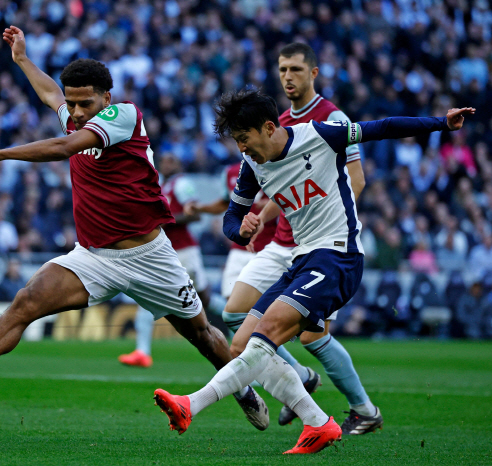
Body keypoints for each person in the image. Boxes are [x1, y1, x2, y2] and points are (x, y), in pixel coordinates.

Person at [0, 25, 268, 433]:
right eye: (73, 103)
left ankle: (243, 390)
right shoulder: (75, 112)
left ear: (107, 97)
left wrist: (0, 153)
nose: (78, 111)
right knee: (26, 300)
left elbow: (64, 147)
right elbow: (50, 94)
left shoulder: (124, 116)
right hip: (95, 257)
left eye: (86, 103)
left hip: (150, 256)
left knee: (203, 336)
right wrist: (23, 60)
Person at [152, 87, 473, 454]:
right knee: (241, 342)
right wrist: (237, 231)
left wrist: (441, 123)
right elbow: (232, 215)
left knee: (268, 332)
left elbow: (381, 127)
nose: (242, 148)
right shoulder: (252, 166)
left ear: (269, 127)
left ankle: (191, 405)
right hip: (302, 260)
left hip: (340, 256)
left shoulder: (318, 135)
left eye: (244, 139)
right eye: (237, 141)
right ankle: (319, 422)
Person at [221, 43, 381, 434]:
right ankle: (302, 380)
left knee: (312, 335)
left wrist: (328, 230)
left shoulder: (332, 118)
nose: (287, 77)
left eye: (295, 69)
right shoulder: (276, 121)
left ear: (313, 72)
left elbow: (355, 180)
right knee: (233, 314)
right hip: (283, 244)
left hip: (324, 246)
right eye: (282, 70)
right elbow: (287, 187)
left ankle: (363, 408)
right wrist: (260, 214)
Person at [118, 153, 226, 368]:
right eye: (164, 161)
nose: (166, 164)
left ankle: (241, 319)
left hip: (185, 251)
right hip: (166, 253)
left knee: (203, 299)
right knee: (147, 296)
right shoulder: (161, 184)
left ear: (178, 164)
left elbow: (194, 215)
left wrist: (165, 220)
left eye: (171, 161)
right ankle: (142, 352)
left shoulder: (182, 183)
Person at [184, 161, 277, 302]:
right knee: (231, 299)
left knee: (267, 302)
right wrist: (200, 208)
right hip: (239, 247)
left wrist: (276, 203)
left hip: (270, 247)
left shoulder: (278, 165)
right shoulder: (230, 171)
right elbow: (225, 203)